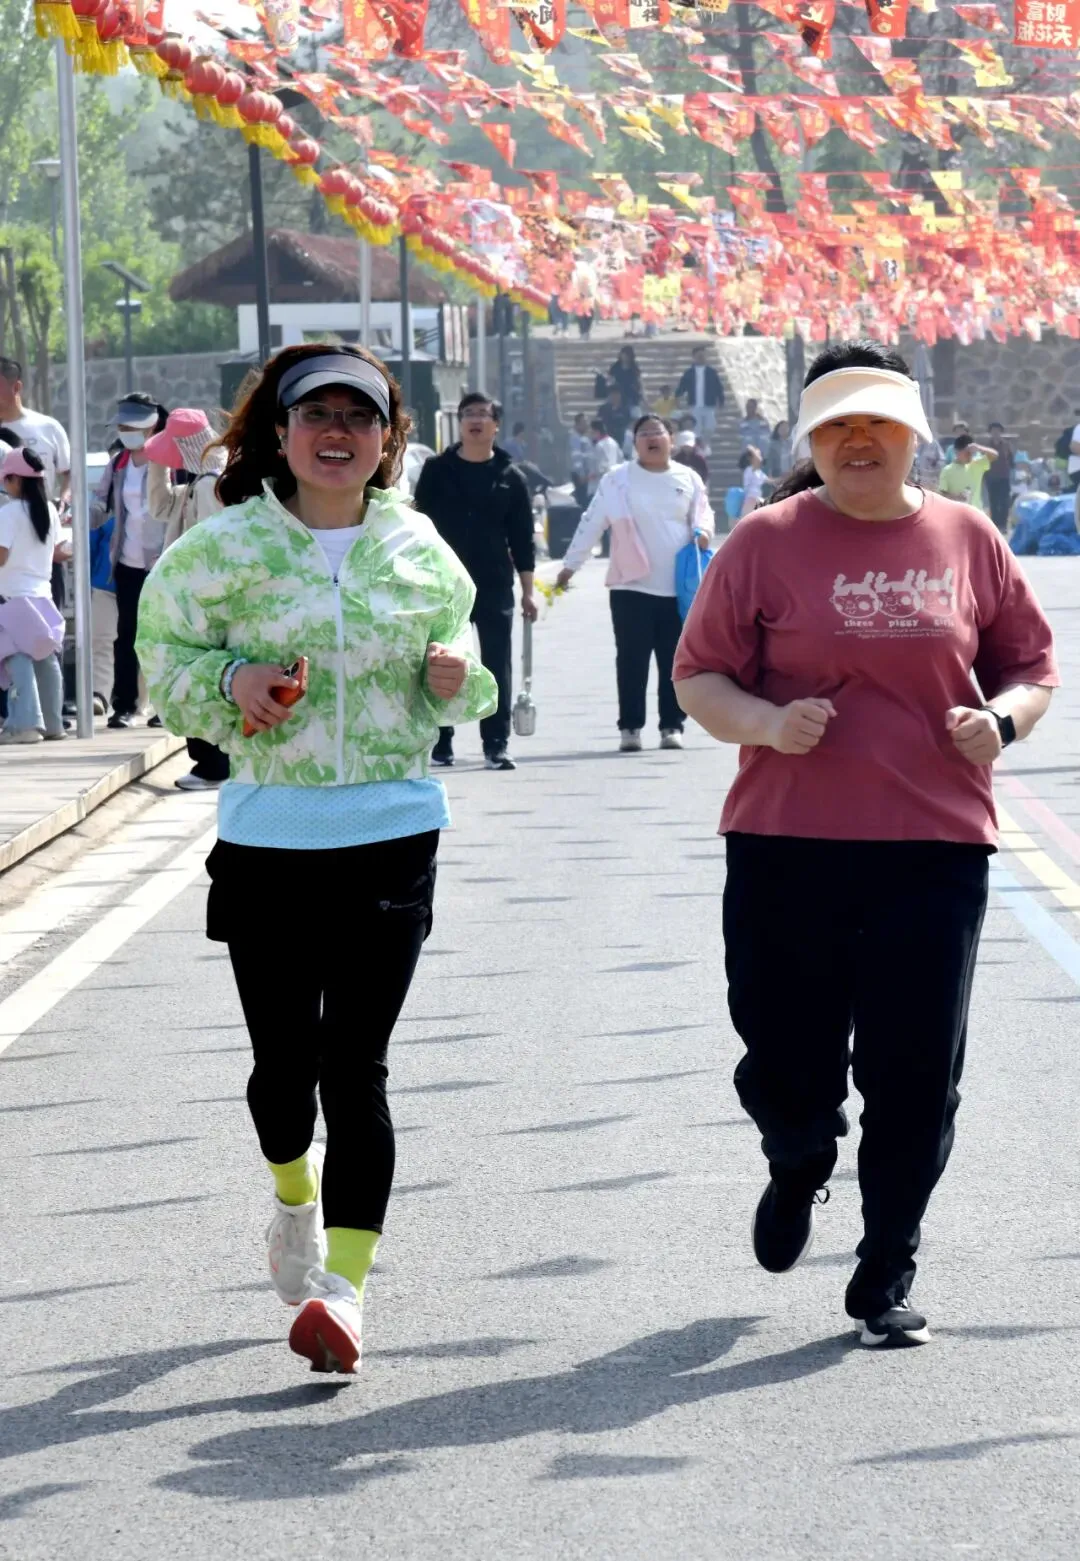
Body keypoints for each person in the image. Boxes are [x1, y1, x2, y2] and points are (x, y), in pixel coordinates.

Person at [672, 339, 1057, 1348]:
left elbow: (1031, 667)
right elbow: (699, 675)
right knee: (783, 1050)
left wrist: (1001, 722)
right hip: (785, 842)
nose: (857, 440)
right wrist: (767, 722)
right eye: (836, 424)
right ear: (810, 438)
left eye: (877, 422)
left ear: (912, 434)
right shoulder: (764, 542)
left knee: (917, 1071)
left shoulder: (968, 538)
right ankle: (799, 1153)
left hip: (932, 846)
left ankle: (887, 1265)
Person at [136, 344, 497, 1376]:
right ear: (281, 433)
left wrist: (456, 674)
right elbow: (163, 660)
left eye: (359, 417)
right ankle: (293, 1194)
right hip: (270, 838)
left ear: (388, 440)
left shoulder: (419, 547)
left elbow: (469, 667)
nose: (338, 433)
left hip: (394, 830)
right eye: (317, 415)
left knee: (357, 1065)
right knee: (285, 1073)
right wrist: (234, 681)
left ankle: (346, 1292)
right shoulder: (223, 549)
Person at [555, 413, 714, 753]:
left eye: (658, 432)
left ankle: (672, 725)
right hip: (631, 587)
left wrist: (704, 532)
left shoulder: (688, 478)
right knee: (631, 660)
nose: (651, 438)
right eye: (643, 433)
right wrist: (570, 566)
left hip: (678, 589)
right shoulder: (617, 480)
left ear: (671, 439)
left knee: (674, 661)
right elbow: (592, 522)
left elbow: (703, 513)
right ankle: (630, 727)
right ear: (634, 442)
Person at [412, 392, 538, 772]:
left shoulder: (511, 477)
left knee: (496, 663)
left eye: (483, 414)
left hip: (494, 582)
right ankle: (442, 741)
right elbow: (417, 525)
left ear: (496, 424)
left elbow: (523, 539)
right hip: (443, 583)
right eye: (468, 413)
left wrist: (528, 591)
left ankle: (496, 744)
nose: (475, 420)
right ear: (460, 423)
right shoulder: (437, 470)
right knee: (441, 660)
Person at [143, 408, 230, 791]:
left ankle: (212, 764)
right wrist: (157, 464)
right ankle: (211, 762)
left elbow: (212, 546)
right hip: (196, 600)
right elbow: (161, 506)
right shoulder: (205, 481)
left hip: (201, 602)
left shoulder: (211, 485)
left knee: (198, 680)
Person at [90, 393, 169, 730]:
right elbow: (101, 502)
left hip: (163, 562)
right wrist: (86, 516)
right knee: (126, 636)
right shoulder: (118, 463)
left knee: (163, 637)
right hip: (126, 562)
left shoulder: (167, 459)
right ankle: (124, 705)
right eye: (121, 427)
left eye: (130, 427)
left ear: (151, 426)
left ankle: (164, 706)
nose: (125, 433)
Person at [0, 446, 65, 744]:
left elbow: (2, 556)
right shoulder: (49, 510)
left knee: (15, 658)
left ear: (16, 480)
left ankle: (24, 725)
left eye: (6, 479)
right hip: (42, 597)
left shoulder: (9, 513)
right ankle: (52, 723)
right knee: (45, 658)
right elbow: (55, 552)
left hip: (12, 598)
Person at [0, 357, 71, 503]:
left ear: (16, 387)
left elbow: (70, 474)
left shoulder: (49, 427)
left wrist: (64, 500)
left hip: (40, 516)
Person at [676, 345, 724, 442]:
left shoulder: (712, 372)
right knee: (696, 429)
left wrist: (721, 401)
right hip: (695, 406)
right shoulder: (689, 373)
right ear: (694, 357)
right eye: (699, 356)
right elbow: (682, 386)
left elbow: (718, 387)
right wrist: (677, 397)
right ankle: (698, 446)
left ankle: (705, 444)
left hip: (709, 405)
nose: (702, 358)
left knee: (710, 427)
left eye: (703, 355)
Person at [938, 433, 995, 513]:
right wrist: (956, 497)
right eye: (967, 453)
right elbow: (941, 495)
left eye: (971, 453)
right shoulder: (947, 470)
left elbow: (994, 455)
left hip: (976, 513)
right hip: (956, 514)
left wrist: (979, 448)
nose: (970, 455)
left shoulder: (977, 464)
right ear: (956, 451)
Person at [984, 421, 1013, 534]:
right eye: (993, 430)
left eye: (998, 430)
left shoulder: (1006, 445)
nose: (996, 433)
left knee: (1004, 501)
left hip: (1004, 477)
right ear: (990, 432)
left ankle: (1003, 525)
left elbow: (1011, 460)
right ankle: (995, 525)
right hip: (991, 477)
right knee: (994, 502)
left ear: (1001, 432)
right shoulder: (987, 446)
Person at [587, 417, 622, 499]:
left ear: (597, 432)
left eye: (592, 432)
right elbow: (621, 461)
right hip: (614, 485)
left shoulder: (599, 446)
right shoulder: (614, 443)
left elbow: (601, 468)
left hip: (599, 488)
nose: (590, 435)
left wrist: (591, 475)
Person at [608, 346, 644, 416]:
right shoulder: (615, 366)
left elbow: (639, 381)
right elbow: (610, 379)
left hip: (632, 394)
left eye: (627, 355)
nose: (625, 357)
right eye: (623, 355)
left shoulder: (634, 367)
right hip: (619, 394)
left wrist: (643, 395)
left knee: (635, 414)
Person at [569, 412, 592, 509]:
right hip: (580, 476)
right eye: (584, 422)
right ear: (577, 424)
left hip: (584, 475)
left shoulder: (584, 438)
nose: (587, 424)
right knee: (583, 502)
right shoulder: (575, 438)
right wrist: (581, 475)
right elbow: (576, 458)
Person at [597, 385, 630, 449]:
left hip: (621, 437)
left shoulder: (625, 409)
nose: (615, 397)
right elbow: (599, 422)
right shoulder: (603, 408)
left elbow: (628, 422)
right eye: (612, 394)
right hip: (607, 437)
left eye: (617, 394)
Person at [739, 446, 767, 517]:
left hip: (757, 500)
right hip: (750, 500)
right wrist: (753, 450)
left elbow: (771, 480)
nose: (760, 457)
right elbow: (758, 460)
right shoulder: (749, 470)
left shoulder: (759, 472)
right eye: (758, 455)